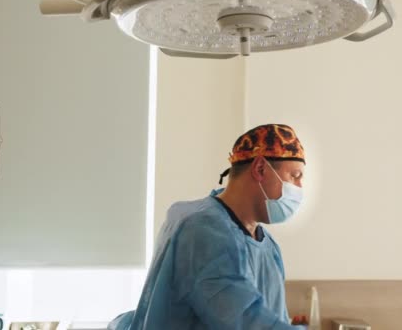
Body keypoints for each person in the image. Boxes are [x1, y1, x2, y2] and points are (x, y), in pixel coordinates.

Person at [108, 124, 307, 330]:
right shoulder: (202, 230)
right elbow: (243, 319)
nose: (300, 188)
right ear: (260, 169)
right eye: (295, 176)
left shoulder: (268, 248)